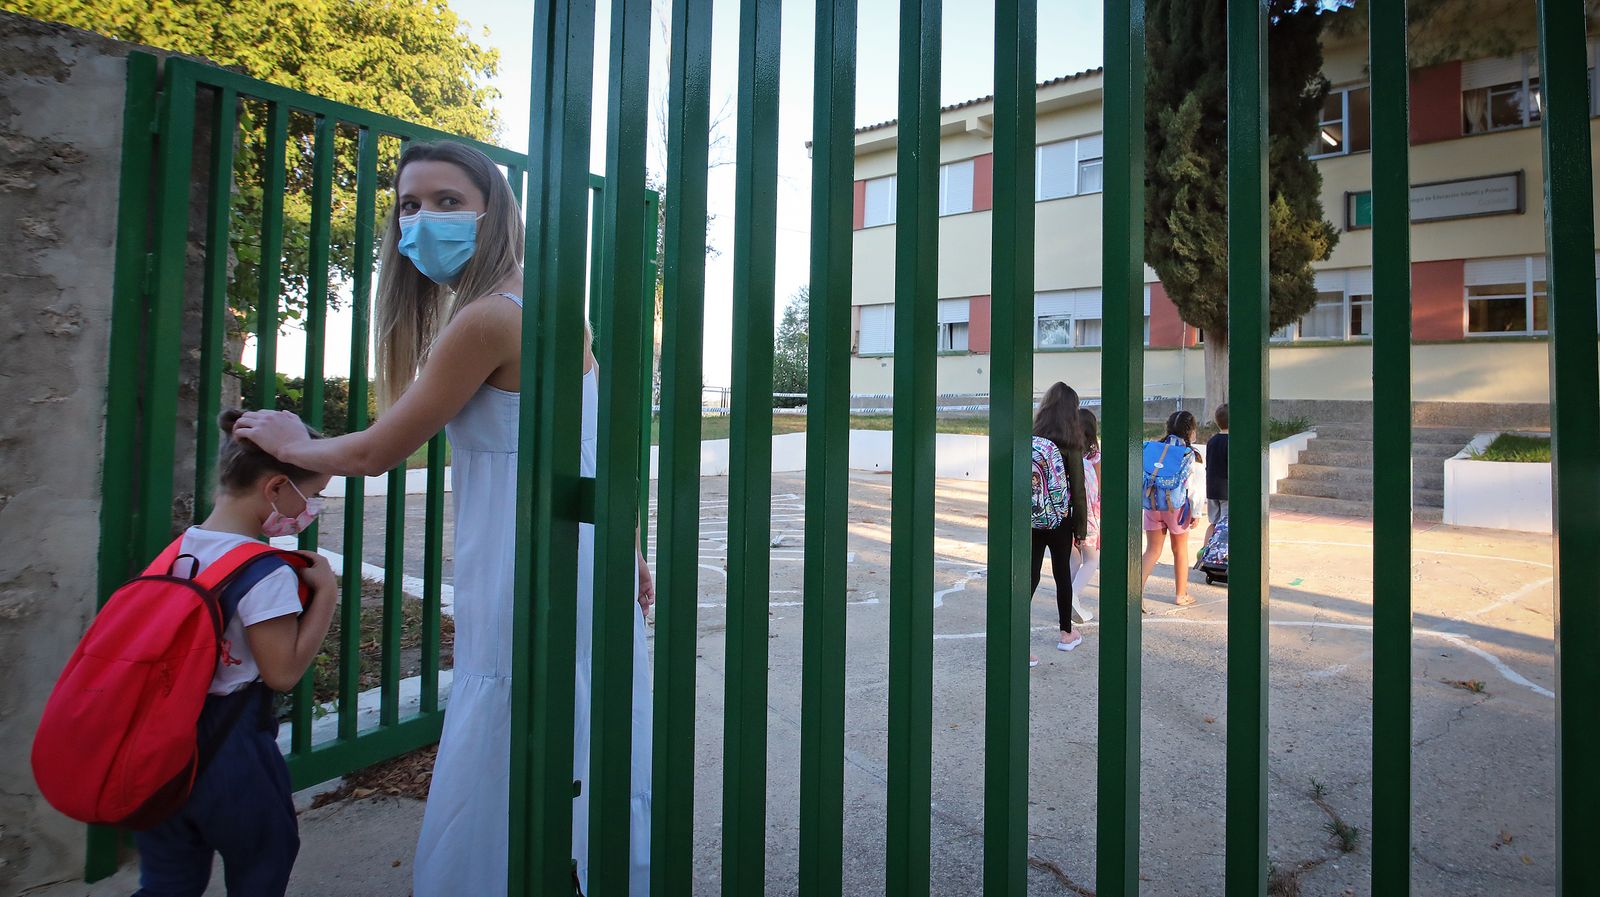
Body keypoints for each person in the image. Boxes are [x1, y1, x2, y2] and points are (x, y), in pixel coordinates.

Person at [233, 142, 654, 897]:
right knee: (584, 713)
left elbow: (379, 450)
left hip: (522, 552)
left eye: (447, 201)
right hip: (577, 546)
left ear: (496, 213)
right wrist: (629, 548)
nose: (422, 218)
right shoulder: (546, 300)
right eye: (409, 205)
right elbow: (593, 447)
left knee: (511, 714)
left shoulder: (488, 318)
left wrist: (291, 442)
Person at [134, 410, 338, 897]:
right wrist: (326, 595)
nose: (310, 509)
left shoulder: (176, 551)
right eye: (312, 496)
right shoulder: (264, 572)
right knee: (263, 864)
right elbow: (282, 673)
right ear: (276, 488)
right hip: (232, 750)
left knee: (167, 881)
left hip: (157, 747)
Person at [1030, 382, 1088, 660]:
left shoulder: (1032, 440)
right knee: (1062, 574)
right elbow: (1078, 491)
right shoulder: (1070, 446)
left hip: (1031, 517)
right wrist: (1080, 530)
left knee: (1029, 576)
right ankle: (1066, 633)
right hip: (1059, 520)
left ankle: (1018, 637)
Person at [1141, 410, 1202, 609]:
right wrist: (1196, 512)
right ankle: (1181, 595)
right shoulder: (1190, 454)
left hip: (1152, 503)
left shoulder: (1153, 448)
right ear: (1190, 431)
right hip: (1177, 507)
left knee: (1152, 550)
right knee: (1180, 550)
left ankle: (1134, 592)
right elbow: (1196, 488)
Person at [1069, 407, 1101, 622]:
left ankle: (1067, 599)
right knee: (1091, 560)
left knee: (1073, 559)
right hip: (1089, 517)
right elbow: (1100, 492)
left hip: (1068, 514)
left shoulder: (1067, 453)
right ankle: (1071, 596)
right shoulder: (1095, 458)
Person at [1202, 403, 1230, 554]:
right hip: (1226, 491)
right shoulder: (1232, 442)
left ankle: (1204, 553)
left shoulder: (1212, 441)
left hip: (1212, 489)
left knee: (1213, 523)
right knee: (1226, 525)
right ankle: (1221, 556)